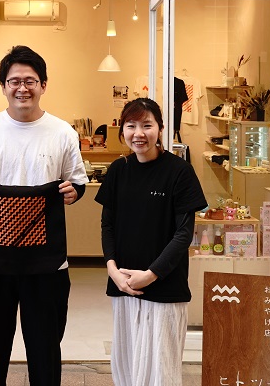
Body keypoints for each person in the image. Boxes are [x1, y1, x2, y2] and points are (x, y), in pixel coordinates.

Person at [0, 45, 88, 386]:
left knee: (45, 347)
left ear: (43, 85)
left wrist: (73, 192)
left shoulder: (63, 132)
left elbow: (77, 182)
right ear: (3, 86)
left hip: (47, 263)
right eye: (14, 81)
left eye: (30, 81)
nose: (22, 88)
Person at [95, 97, 208, 386]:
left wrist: (151, 274)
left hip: (164, 287)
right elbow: (107, 225)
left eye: (147, 125)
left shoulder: (179, 171)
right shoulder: (118, 171)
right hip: (123, 285)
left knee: (161, 370)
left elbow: (183, 233)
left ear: (160, 128)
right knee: (127, 365)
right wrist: (112, 269)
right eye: (131, 126)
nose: (138, 133)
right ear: (122, 130)